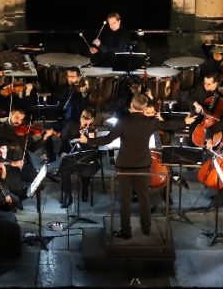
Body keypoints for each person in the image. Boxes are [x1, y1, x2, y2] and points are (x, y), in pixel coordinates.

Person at [79, 94, 187, 239]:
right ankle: (147, 227)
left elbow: (106, 139)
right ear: (144, 108)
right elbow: (168, 125)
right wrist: (185, 121)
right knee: (144, 197)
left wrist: (88, 141)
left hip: (125, 165)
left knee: (125, 199)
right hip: (143, 165)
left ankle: (126, 231)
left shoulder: (123, 122)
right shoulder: (151, 122)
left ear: (131, 106)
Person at [57, 108, 100, 208]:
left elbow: (95, 149)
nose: (84, 120)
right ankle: (68, 195)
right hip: (71, 156)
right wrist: (63, 152)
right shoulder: (71, 126)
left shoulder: (92, 130)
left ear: (92, 119)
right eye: (83, 117)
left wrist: (89, 140)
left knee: (86, 171)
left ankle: (85, 188)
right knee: (64, 171)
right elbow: (63, 142)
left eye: (87, 119)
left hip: (86, 157)